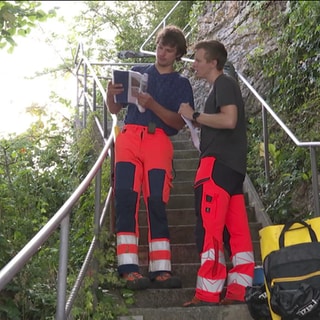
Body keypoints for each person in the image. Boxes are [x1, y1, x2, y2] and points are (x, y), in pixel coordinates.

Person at [106, 25, 194, 290]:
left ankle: (161, 269)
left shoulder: (181, 83)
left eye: (169, 51)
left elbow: (179, 124)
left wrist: (152, 103)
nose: (162, 54)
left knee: (156, 200)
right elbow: (115, 108)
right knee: (126, 197)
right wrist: (111, 95)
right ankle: (128, 268)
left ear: (177, 55)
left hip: (159, 140)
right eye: (159, 48)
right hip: (129, 137)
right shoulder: (138, 73)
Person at [178, 40, 255, 306]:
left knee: (210, 230)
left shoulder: (223, 83)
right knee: (238, 233)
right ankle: (240, 290)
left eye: (198, 59)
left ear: (213, 62)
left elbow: (229, 119)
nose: (195, 64)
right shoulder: (223, 87)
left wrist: (195, 115)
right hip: (231, 168)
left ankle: (208, 293)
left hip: (217, 168)